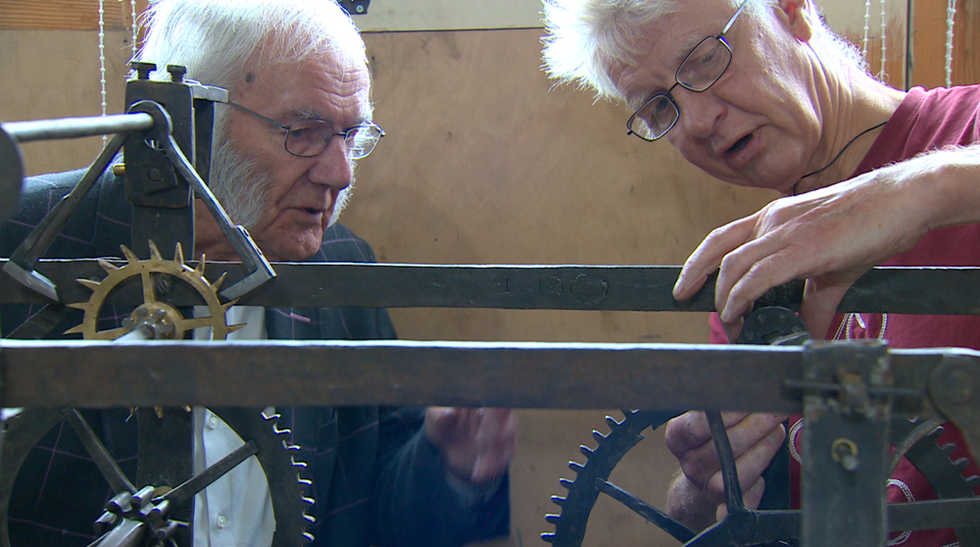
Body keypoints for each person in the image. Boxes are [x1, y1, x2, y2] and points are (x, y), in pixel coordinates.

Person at [0, 0, 516, 546]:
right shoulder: (25, 243)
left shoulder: (341, 268)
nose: (339, 173)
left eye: (350, 135)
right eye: (304, 132)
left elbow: (370, 505)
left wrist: (452, 469)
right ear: (192, 119)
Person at [542, 0, 980, 545]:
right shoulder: (755, 270)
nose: (698, 121)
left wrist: (917, 191)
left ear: (790, 11)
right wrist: (703, 487)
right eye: (659, 107)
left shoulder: (970, 135)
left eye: (705, 58)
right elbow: (729, 514)